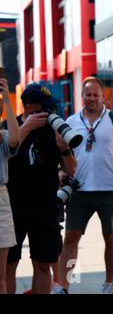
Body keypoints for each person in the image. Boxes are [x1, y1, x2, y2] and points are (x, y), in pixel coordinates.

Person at [58, 76, 113, 294]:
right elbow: (63, 153)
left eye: (95, 94)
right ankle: (64, 286)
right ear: (82, 96)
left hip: (109, 189)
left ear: (102, 96)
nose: (91, 98)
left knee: (111, 237)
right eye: (87, 94)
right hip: (78, 189)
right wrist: (62, 170)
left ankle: (109, 285)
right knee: (71, 238)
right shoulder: (71, 122)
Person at [6, 83, 76, 294]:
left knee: (43, 266)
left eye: (49, 108)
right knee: (9, 266)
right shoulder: (8, 127)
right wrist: (26, 128)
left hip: (45, 207)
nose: (48, 113)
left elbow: (71, 170)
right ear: (28, 108)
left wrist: (64, 149)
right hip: (13, 207)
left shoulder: (53, 130)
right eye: (42, 108)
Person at [0, 77, 19, 294]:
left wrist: (6, 98)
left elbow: (15, 139)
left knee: (1, 278)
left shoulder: (3, 136)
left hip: (1, 199)